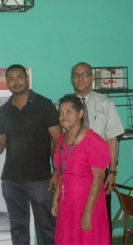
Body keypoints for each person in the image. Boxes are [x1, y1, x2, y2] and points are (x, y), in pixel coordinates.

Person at [0, 64, 61, 245]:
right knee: (18, 228)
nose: (15, 82)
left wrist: (56, 172)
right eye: (11, 79)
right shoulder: (4, 111)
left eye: (19, 77)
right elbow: (0, 141)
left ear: (27, 78)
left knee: (47, 228)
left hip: (41, 180)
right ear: (7, 83)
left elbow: (58, 140)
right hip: (11, 180)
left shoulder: (45, 105)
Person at [71, 62, 124, 238]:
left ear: (92, 78)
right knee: (75, 218)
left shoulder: (105, 103)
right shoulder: (64, 105)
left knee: (100, 217)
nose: (80, 78)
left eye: (84, 74)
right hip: (74, 175)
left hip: (99, 172)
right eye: (76, 75)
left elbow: (112, 139)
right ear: (72, 79)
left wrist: (113, 172)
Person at [51, 94, 110, 244]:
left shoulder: (94, 142)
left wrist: (87, 212)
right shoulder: (61, 140)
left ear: (81, 113)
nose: (64, 116)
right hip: (67, 205)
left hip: (87, 204)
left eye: (69, 111)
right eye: (61, 112)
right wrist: (55, 199)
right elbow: (60, 173)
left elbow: (98, 179)